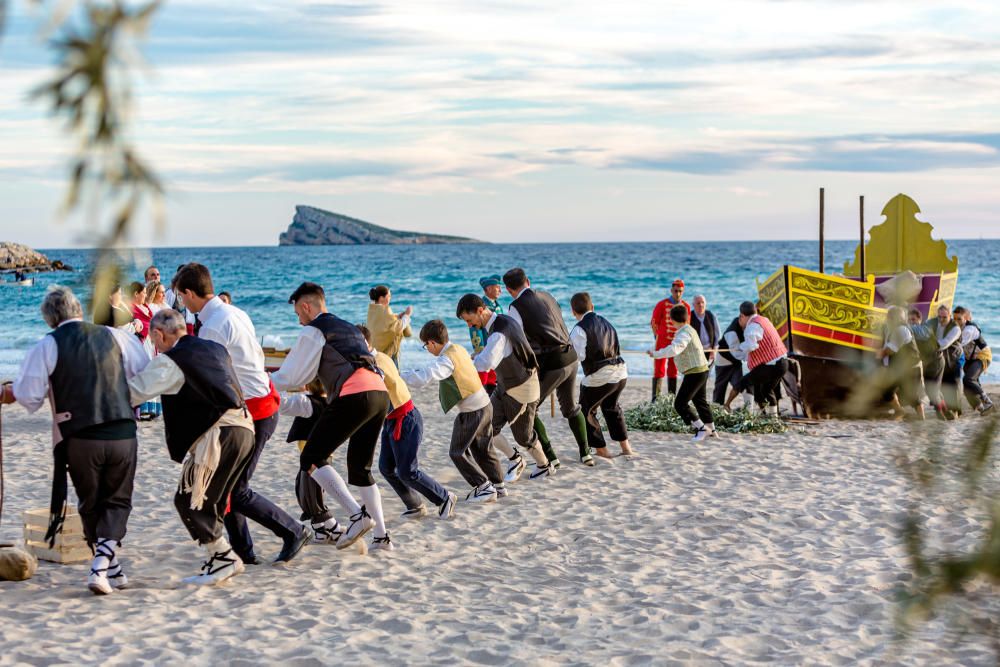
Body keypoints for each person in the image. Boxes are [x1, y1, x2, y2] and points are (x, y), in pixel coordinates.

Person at [1, 286, 148, 595]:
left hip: (79, 436)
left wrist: (10, 392)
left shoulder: (47, 345)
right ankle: (108, 567)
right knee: (118, 500)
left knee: (91, 503)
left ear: (50, 319)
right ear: (78, 310)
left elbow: (29, 396)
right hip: (122, 430)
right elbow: (144, 372)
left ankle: (102, 567)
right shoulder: (116, 336)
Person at [174, 263, 309, 564]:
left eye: (181, 297)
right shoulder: (233, 313)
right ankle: (244, 553)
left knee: (234, 487)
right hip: (258, 402)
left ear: (189, 293)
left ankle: (292, 530)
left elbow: (210, 378)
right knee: (229, 486)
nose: (181, 303)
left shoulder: (212, 327)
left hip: (255, 410)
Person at [125, 309, 256, 585]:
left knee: (189, 500)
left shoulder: (173, 360)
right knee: (215, 500)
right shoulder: (214, 348)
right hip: (245, 427)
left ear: (159, 334)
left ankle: (224, 558)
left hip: (220, 435)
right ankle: (219, 558)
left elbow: (133, 392)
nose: (155, 346)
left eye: (154, 340)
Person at [270, 282, 394, 551]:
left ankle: (357, 516)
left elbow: (294, 376)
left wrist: (261, 383)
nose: (299, 321)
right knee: (361, 470)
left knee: (311, 458)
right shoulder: (350, 327)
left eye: (298, 315)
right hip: (379, 394)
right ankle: (382, 538)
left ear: (306, 306)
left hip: (354, 395)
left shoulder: (314, 330)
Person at [355, 324, 457, 520]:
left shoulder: (377, 362)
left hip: (406, 418)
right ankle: (415, 505)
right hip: (391, 420)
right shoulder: (371, 360)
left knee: (407, 471)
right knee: (386, 467)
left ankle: (444, 497)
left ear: (364, 342)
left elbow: (376, 385)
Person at [401, 319, 508, 503]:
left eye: (426, 346)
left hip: (472, 411)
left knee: (457, 452)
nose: (428, 350)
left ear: (432, 343)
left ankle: (484, 487)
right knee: (483, 448)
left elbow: (428, 375)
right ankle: (499, 486)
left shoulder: (446, 359)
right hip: (485, 404)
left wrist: (400, 376)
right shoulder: (458, 348)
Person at [456, 293, 553, 481]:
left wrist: (461, 364)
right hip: (505, 385)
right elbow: (495, 354)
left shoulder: (499, 333)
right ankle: (515, 459)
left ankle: (544, 465)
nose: (469, 325)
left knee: (523, 437)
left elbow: (487, 363)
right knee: (486, 427)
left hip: (522, 389)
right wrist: (477, 356)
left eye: (469, 320)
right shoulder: (501, 321)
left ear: (480, 310)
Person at [503, 267, 590, 468]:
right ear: (528, 281)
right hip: (570, 356)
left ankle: (550, 456)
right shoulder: (548, 296)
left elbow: (518, 339)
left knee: (528, 409)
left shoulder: (515, 307)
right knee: (570, 407)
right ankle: (586, 453)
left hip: (551, 362)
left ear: (508, 289)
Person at [278, 378, 345, 544]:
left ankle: (334, 529)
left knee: (310, 495)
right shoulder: (332, 401)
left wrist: (285, 385)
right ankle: (321, 532)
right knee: (306, 490)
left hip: (313, 456)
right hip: (326, 453)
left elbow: (281, 404)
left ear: (308, 385)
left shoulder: (307, 403)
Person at [569, 292, 634, 459]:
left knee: (585, 411)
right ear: (592, 307)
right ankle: (626, 447)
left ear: (572, 311)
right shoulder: (607, 322)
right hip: (621, 371)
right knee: (611, 407)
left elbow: (577, 357)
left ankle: (601, 450)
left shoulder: (579, 329)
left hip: (601, 375)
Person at [648, 304, 716, 441]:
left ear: (672, 320)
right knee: (700, 401)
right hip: (702, 370)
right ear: (686, 317)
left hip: (695, 373)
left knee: (680, 404)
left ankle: (701, 428)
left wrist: (656, 354)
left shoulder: (684, 333)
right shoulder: (690, 329)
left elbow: (675, 349)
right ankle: (712, 431)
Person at [737, 301, 788, 416]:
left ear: (743, 315)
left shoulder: (751, 326)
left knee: (745, 382)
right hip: (783, 362)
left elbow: (751, 345)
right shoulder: (764, 320)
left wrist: (740, 347)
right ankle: (773, 418)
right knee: (766, 390)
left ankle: (748, 414)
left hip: (773, 364)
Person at [876, 306, 925, 420]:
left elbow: (890, 350)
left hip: (911, 368)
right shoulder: (890, 328)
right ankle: (899, 411)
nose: (887, 318)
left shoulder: (901, 330)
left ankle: (922, 418)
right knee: (887, 392)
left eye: (890, 317)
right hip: (898, 367)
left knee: (912, 395)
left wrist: (877, 355)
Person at [650, 279, 691, 400]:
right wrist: (657, 337)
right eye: (675, 291)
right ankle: (655, 398)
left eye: (680, 291)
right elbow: (654, 322)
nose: (677, 294)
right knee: (659, 369)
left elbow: (687, 325)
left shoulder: (686, 306)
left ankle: (671, 398)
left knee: (673, 370)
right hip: (662, 341)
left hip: (677, 342)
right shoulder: (662, 304)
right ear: (671, 290)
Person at [954, 306, 994, 414]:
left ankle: (988, 401)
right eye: (955, 319)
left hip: (982, 356)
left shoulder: (970, 329)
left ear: (966, 319)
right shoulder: (956, 328)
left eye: (959, 319)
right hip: (969, 358)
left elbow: (958, 344)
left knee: (968, 379)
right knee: (968, 385)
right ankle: (981, 408)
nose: (956, 321)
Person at [468, 274, 504, 394]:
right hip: (486, 350)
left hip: (496, 349)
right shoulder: (481, 306)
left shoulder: (497, 306)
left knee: (495, 381)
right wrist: (479, 350)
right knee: (485, 384)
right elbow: (474, 329)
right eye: (497, 287)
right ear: (488, 289)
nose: (500, 290)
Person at [909, 307, 946, 414]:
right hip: (929, 362)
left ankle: (940, 414)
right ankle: (944, 410)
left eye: (914, 320)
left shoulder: (923, 329)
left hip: (936, 361)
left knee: (931, 390)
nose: (912, 322)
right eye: (910, 320)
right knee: (934, 389)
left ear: (920, 320)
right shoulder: (914, 331)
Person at [366, 285, 413, 366]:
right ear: (381, 298)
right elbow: (395, 329)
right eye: (389, 296)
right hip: (388, 352)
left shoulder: (372, 310)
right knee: (393, 374)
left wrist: (397, 317)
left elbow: (385, 325)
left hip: (374, 351)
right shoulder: (385, 310)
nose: (390, 298)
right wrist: (407, 315)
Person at [934, 304, 963, 418]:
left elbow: (944, 343)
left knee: (954, 384)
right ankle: (946, 410)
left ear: (950, 316)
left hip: (955, 358)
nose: (941, 320)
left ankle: (956, 412)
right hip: (942, 359)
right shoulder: (935, 324)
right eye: (939, 317)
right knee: (942, 384)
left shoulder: (955, 328)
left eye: (944, 317)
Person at [714, 315, 747, 406]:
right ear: (741, 317)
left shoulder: (748, 325)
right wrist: (750, 358)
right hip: (723, 361)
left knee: (739, 385)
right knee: (720, 388)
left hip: (736, 362)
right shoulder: (732, 332)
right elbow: (736, 353)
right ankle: (717, 408)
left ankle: (727, 405)